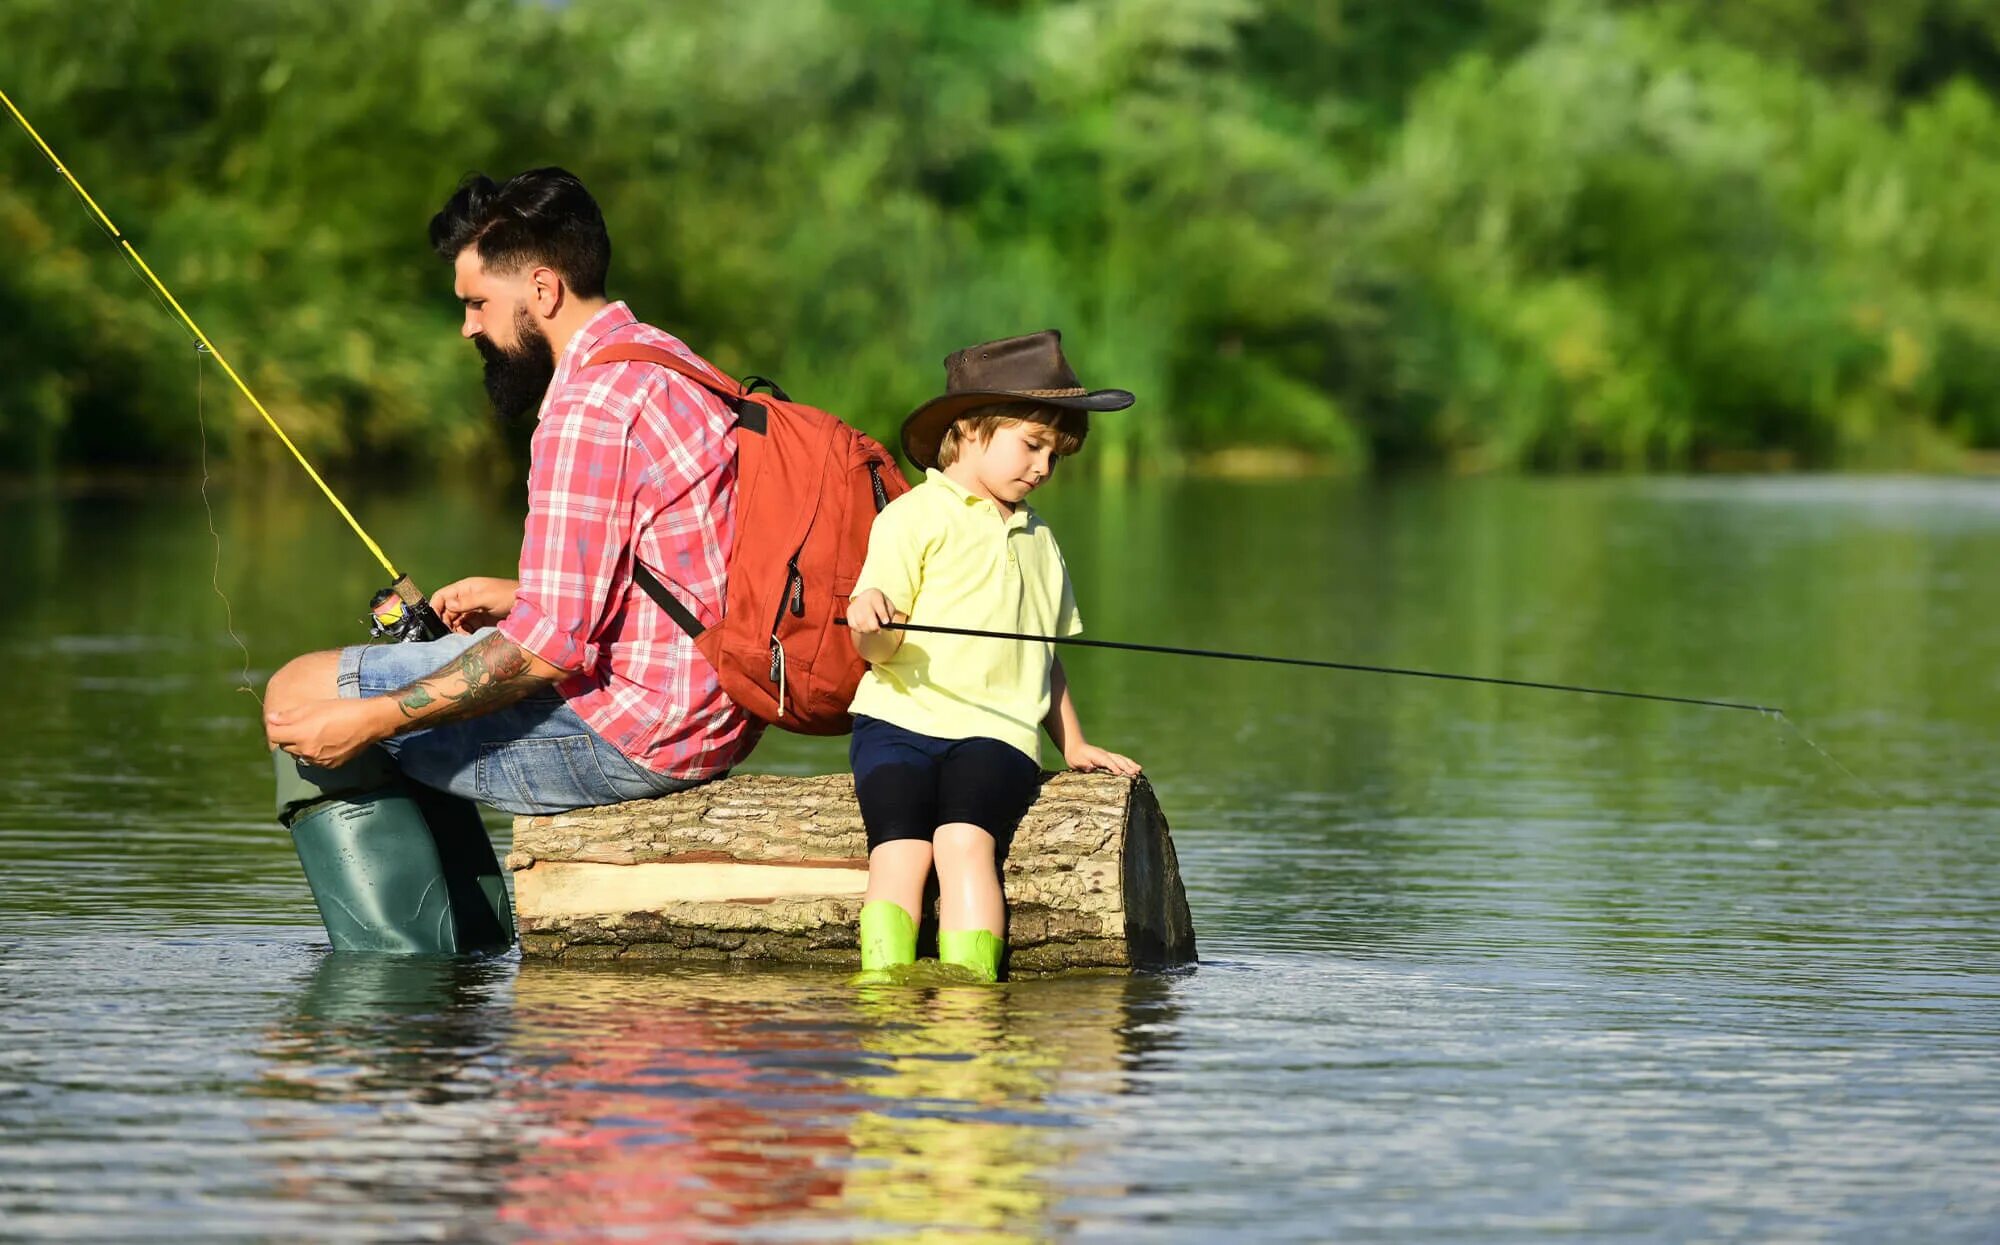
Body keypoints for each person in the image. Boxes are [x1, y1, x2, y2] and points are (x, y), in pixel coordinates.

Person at [262, 168, 758, 951]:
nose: (467, 327)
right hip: (711, 710)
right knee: (414, 678)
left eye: (477, 303)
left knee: (301, 696)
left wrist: (372, 717)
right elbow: (689, 561)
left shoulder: (587, 407)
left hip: (640, 733)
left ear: (542, 288)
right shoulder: (669, 362)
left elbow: (547, 650)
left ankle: (407, 990)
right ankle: (475, 943)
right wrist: (522, 592)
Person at [844, 330, 1143, 983]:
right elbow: (878, 647)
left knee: (963, 843)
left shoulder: (1041, 539)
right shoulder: (912, 517)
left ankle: (970, 1002)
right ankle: (883, 996)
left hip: (995, 734)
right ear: (970, 430)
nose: (1041, 467)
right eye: (1031, 446)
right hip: (897, 724)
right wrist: (868, 619)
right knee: (898, 852)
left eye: (1054, 457)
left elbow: (1046, 657)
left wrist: (1075, 742)